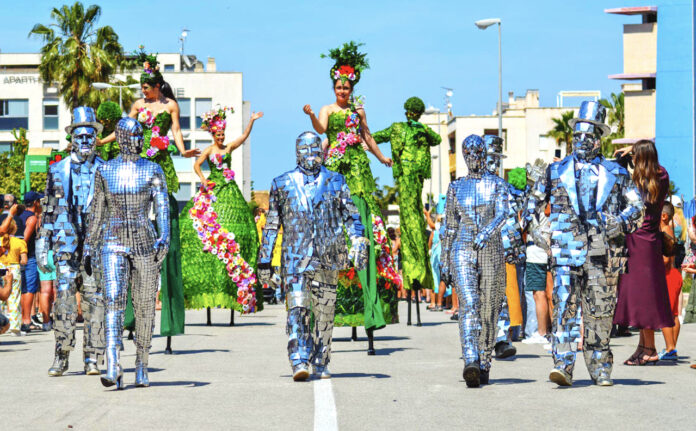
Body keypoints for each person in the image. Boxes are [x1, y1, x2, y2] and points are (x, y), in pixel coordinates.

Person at [527, 101, 643, 387]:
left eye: (587, 137)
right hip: (565, 250)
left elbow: (637, 205)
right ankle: (563, 365)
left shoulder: (616, 172)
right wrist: (539, 234)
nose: (580, 142)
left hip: (603, 251)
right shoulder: (555, 172)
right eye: (576, 136)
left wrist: (619, 221)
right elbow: (530, 204)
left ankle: (600, 366)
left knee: (600, 311)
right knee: (565, 306)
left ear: (598, 138)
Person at [303, 42, 396, 346]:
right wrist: (310, 116)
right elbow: (320, 129)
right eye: (338, 87)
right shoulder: (328, 110)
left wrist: (381, 157)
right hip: (336, 168)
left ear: (351, 87)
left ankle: (369, 307)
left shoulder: (358, 110)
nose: (342, 91)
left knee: (361, 222)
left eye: (346, 87)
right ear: (333, 88)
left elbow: (367, 135)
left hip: (358, 169)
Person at [258, 131, 368, 381]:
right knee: (297, 307)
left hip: (328, 255)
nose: (310, 154)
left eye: (315, 149)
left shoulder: (337, 181)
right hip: (295, 258)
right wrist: (265, 259)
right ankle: (298, 358)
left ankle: (321, 358)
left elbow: (351, 216)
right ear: (296, 152)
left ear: (322, 151)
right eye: (304, 149)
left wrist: (358, 239)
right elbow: (272, 224)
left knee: (325, 312)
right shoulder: (281, 183)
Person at [84, 117, 170, 389]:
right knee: (113, 299)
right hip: (113, 241)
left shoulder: (152, 169)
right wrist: (89, 245)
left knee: (145, 306)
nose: (138, 140)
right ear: (120, 138)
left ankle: (142, 363)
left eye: (140, 135)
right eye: (133, 135)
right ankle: (112, 362)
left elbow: (162, 207)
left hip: (145, 241)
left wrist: (164, 235)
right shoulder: (105, 171)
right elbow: (97, 212)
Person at [35, 106, 106, 376]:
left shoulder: (105, 170)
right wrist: (43, 243)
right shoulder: (57, 170)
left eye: (90, 136)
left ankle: (92, 358)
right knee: (63, 301)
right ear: (72, 139)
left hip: (95, 247)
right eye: (80, 136)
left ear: (96, 138)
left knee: (94, 302)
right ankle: (61, 354)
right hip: (65, 245)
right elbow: (49, 209)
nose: (85, 141)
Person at [179, 107, 263, 324]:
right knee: (197, 226)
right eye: (218, 134)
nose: (221, 137)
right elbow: (197, 165)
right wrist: (203, 180)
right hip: (214, 190)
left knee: (238, 229)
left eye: (222, 134)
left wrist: (252, 120)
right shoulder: (209, 150)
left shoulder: (229, 148)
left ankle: (237, 292)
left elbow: (243, 137)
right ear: (213, 135)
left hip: (230, 191)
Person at [441, 134, 509, 387]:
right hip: (462, 247)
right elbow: (449, 226)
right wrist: (445, 259)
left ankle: (484, 361)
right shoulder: (455, 187)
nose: (473, 157)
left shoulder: (497, 184)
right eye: (467, 153)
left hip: (490, 249)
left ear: (484, 154)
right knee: (469, 303)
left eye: (477, 152)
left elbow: (503, 213)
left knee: (489, 309)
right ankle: (470, 358)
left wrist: (487, 232)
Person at [372, 96, 441, 324]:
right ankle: (416, 272)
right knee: (412, 218)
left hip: (407, 179)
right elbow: (437, 138)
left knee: (411, 216)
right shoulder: (415, 130)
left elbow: (375, 137)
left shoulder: (399, 128)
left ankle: (415, 273)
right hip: (411, 179)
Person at [613, 139, 674, 366]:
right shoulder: (657, 179)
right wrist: (636, 151)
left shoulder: (648, 182)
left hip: (643, 244)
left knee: (644, 297)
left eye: (637, 156)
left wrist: (632, 151)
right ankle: (643, 347)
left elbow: (619, 167)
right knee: (639, 296)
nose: (634, 159)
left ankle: (649, 349)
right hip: (641, 242)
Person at [658, 201, 681, 360]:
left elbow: (665, 259)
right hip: (674, 274)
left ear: (664, 216)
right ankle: (671, 347)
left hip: (668, 275)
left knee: (665, 313)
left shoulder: (665, 231)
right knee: (673, 314)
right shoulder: (670, 230)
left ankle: (670, 348)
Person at [18, 191, 41, 334]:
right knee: (28, 290)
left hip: (21, 257)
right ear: (35, 203)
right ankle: (26, 321)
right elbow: (24, 239)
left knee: (24, 288)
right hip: (29, 257)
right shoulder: (31, 218)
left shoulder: (20, 215)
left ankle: (23, 319)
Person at [0, 217, 27, 335]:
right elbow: (24, 260)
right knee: (14, 299)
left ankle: (1, 324)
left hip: (1, 268)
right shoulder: (20, 242)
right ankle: (14, 327)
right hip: (14, 269)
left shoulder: (0, 240)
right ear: (15, 229)